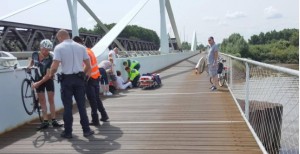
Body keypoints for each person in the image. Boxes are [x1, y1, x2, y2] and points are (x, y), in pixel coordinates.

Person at [49, 29, 94, 138]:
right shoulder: (81, 47)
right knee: (81, 106)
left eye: (57, 39)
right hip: (79, 79)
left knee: (68, 107)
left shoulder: (59, 48)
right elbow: (88, 66)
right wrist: (82, 75)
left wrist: (51, 74)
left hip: (66, 80)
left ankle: (68, 132)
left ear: (60, 37)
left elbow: (55, 66)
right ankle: (86, 130)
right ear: (68, 36)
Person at [73, 36, 109, 126]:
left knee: (92, 99)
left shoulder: (83, 52)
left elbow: (86, 66)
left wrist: (83, 77)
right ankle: (104, 115)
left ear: (77, 43)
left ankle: (95, 120)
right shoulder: (89, 50)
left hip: (89, 79)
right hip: (96, 77)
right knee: (96, 98)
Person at [28, 39, 63, 130]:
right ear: (40, 47)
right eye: (43, 49)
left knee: (51, 100)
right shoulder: (35, 54)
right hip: (37, 78)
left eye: (47, 50)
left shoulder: (51, 58)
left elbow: (48, 75)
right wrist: (29, 66)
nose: (45, 51)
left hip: (48, 80)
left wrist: (37, 84)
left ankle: (54, 120)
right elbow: (32, 60)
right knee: (42, 100)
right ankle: (45, 121)